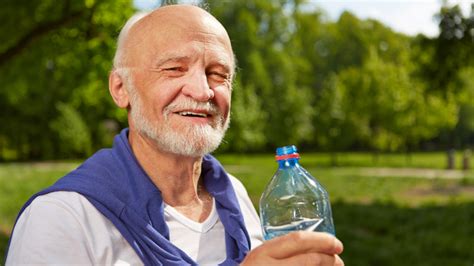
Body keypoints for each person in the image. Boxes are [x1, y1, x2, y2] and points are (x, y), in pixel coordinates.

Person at [6, 4, 344, 265]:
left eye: (217, 74)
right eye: (173, 69)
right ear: (121, 88)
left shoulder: (235, 196)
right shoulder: (61, 217)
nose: (202, 91)